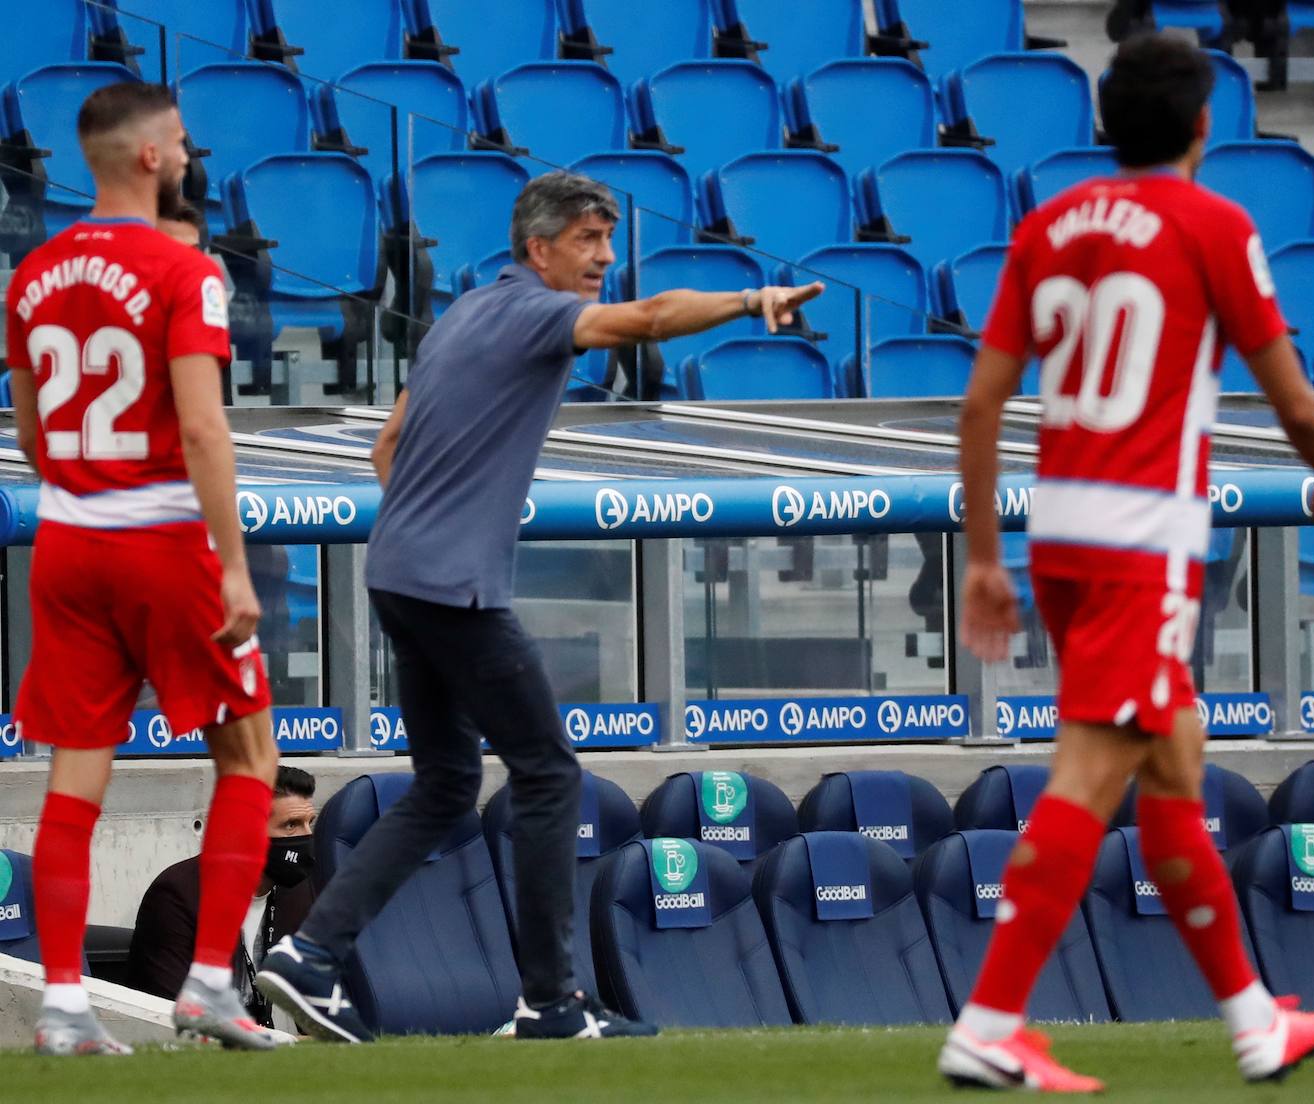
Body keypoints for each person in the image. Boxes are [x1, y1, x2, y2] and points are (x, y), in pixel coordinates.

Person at [256, 171, 824, 1043]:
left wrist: (430, 521)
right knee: (551, 774)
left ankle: (310, 953)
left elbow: (389, 446)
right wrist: (752, 299)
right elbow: (645, 320)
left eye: (609, 237)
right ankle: (551, 1003)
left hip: (403, 575)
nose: (605, 256)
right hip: (453, 587)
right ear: (539, 248)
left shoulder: (460, 315)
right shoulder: (534, 313)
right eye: (589, 240)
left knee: (447, 786)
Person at [942, 34, 1314, 1093]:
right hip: (1144, 543)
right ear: (1204, 125)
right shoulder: (1214, 224)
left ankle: (1257, 1021)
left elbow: (983, 399)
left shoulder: (1048, 223)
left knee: (1175, 761)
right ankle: (989, 1022)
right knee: (1088, 772)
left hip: (1063, 533)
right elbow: (1294, 397)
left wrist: (987, 557)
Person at [4, 82, 278, 1055]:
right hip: (162, 536)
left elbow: (31, 428)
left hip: (67, 540)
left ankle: (67, 1007)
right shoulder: (182, 269)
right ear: (153, 156)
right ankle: (209, 983)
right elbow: (204, 426)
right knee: (250, 756)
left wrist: (83, 493)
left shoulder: (31, 271)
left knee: (76, 776)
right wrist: (234, 568)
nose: (193, 156)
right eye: (186, 142)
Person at [126, 765, 317, 1033]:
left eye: (311, 823)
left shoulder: (296, 891)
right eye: (291, 825)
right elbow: (170, 1017)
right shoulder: (177, 895)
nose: (306, 837)